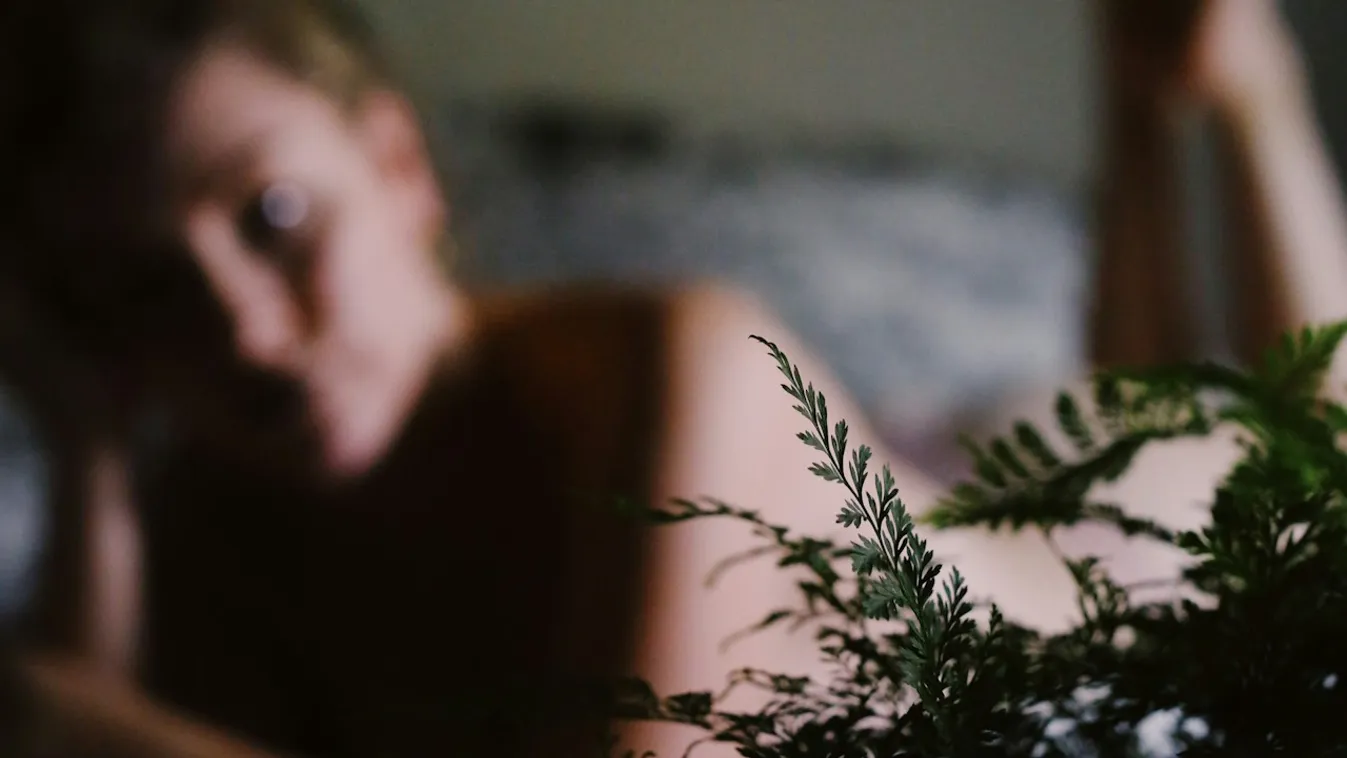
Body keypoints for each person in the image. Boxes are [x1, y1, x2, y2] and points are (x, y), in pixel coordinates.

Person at [1, 1, 1344, 757]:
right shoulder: (215, 523)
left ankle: (1240, 84)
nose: (241, 333)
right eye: (147, 290)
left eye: (276, 216)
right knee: (1109, 407)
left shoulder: (677, 360)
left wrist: (80, 719)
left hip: (1096, 593)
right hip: (949, 476)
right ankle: (1145, 92)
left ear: (398, 163)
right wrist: (85, 454)